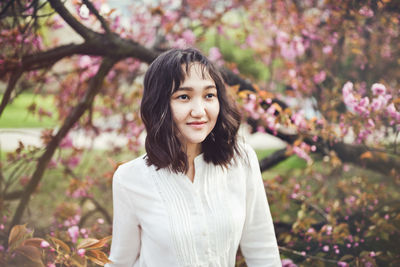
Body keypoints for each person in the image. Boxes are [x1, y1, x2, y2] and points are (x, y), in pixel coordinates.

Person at [106, 48, 281, 267]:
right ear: (159, 105)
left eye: (209, 95)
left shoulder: (241, 160)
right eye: (184, 97)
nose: (199, 111)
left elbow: (262, 251)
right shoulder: (130, 178)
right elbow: (120, 262)